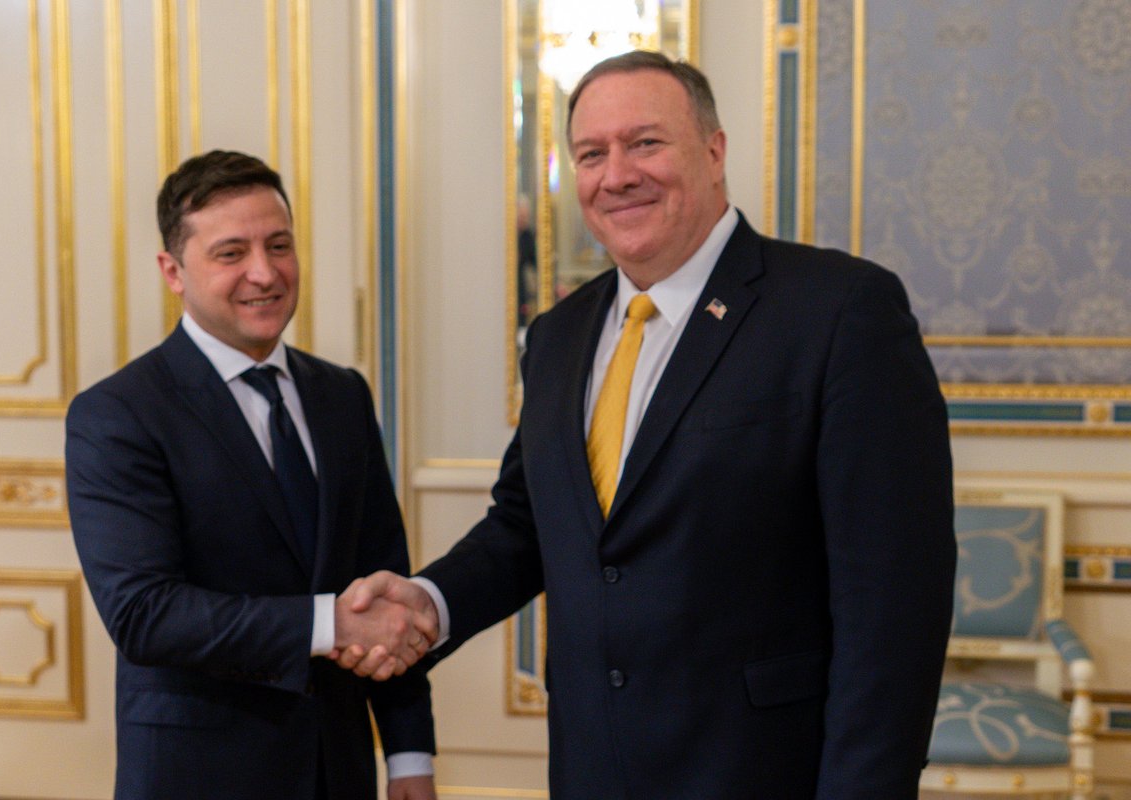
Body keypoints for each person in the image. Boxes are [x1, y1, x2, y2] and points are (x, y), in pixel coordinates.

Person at [340, 52, 957, 798]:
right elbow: (528, 525)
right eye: (591, 154)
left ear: (714, 151)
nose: (617, 175)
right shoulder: (559, 335)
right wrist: (430, 604)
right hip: (593, 771)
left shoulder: (839, 311)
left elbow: (894, 603)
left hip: (764, 774)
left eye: (645, 143)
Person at [65, 150, 438, 800]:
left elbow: (385, 581)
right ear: (173, 271)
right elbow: (145, 615)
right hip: (199, 772)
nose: (264, 272)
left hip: (338, 767)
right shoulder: (118, 414)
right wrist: (329, 624)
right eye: (231, 253)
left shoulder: (343, 395)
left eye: (279, 245)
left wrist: (409, 755)